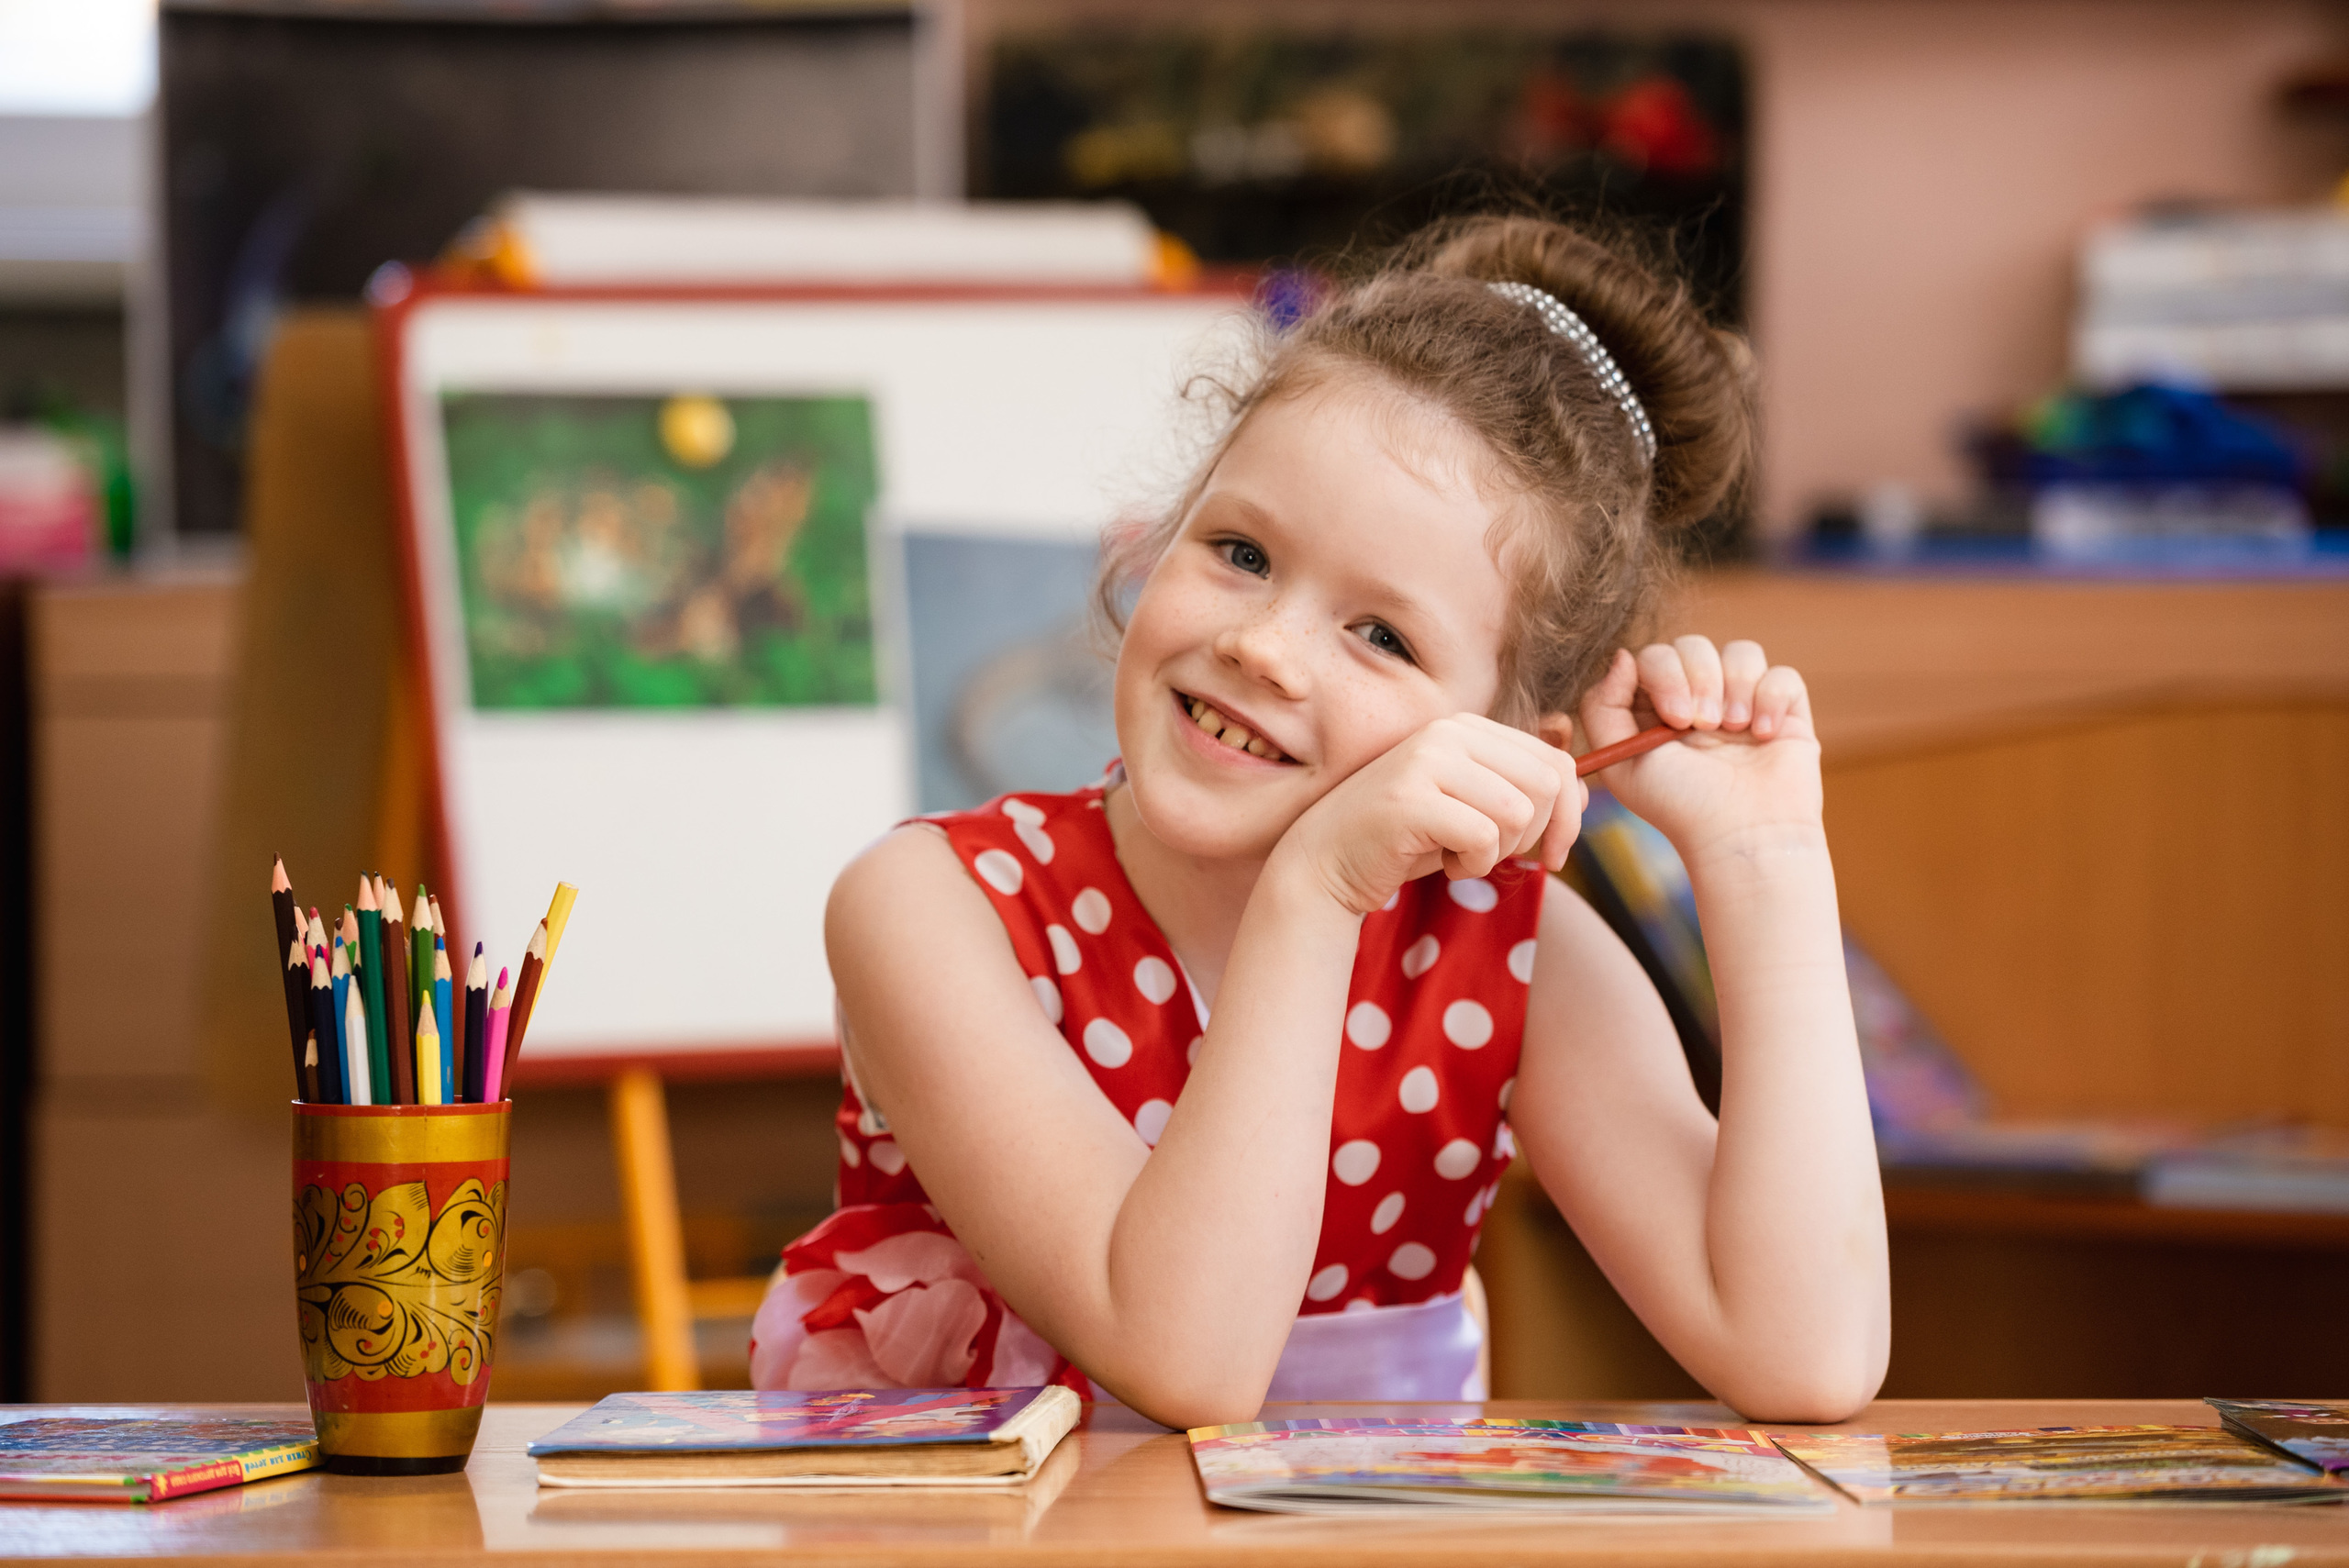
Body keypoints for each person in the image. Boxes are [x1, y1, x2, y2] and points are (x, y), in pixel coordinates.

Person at [749, 214, 1888, 1429]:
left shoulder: (1517, 957)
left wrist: (1765, 863)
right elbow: (1184, 1359)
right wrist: (1315, 892)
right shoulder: (931, 906)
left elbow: (1805, 1355)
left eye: (1382, 635)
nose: (1264, 646)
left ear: (1513, 748)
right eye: (1240, 551)